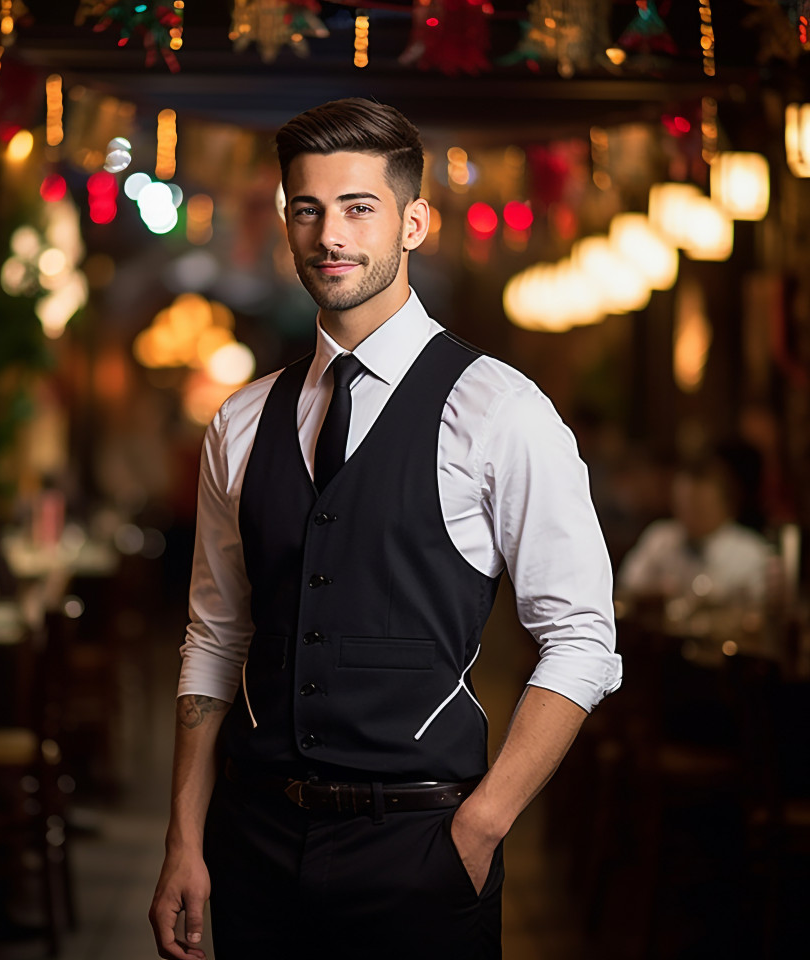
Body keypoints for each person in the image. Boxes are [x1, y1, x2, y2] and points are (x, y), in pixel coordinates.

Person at [149, 98, 622, 960]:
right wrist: (185, 836)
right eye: (307, 209)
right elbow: (216, 637)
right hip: (253, 840)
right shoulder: (242, 421)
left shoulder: (501, 411)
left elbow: (583, 637)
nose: (330, 234)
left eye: (358, 208)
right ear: (287, 223)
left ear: (413, 221)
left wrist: (481, 827)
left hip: (422, 845)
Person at [617, 446, 770, 605]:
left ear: (726, 505)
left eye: (700, 507)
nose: (690, 515)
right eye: (684, 505)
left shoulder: (751, 552)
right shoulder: (660, 538)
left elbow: (760, 607)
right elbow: (627, 588)